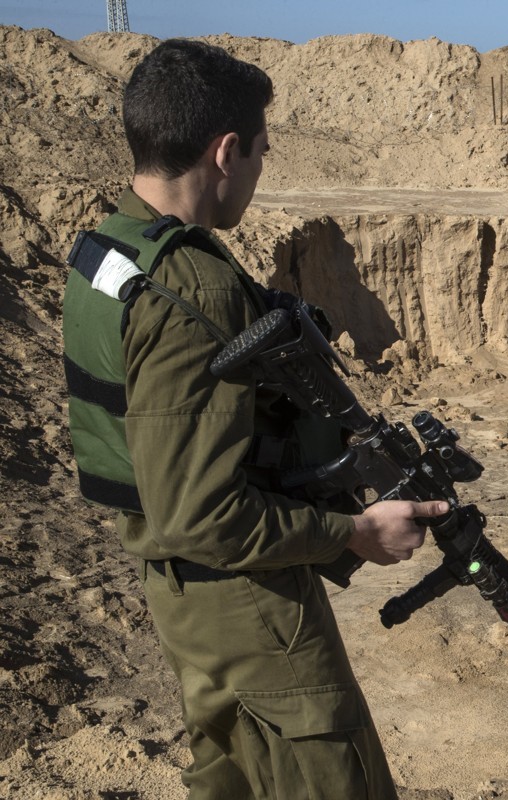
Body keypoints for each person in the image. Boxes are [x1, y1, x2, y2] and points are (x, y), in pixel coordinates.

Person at [61, 39, 444, 798]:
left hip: (183, 599)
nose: (263, 172)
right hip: (246, 604)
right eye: (263, 152)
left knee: (233, 780)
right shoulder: (192, 285)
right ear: (226, 151)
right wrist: (356, 535)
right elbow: (199, 511)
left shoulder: (113, 250)